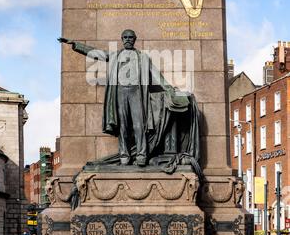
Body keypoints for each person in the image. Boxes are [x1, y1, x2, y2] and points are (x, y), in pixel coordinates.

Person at [58, 30, 201, 173]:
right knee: (123, 126)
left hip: (136, 93)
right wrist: (76, 45)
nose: (127, 40)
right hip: (120, 92)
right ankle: (124, 156)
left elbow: (156, 74)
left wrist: (169, 88)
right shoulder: (115, 55)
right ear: (121, 39)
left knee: (139, 125)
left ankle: (141, 155)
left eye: (130, 37)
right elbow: (96, 53)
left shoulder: (142, 58)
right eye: (125, 37)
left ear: (135, 39)